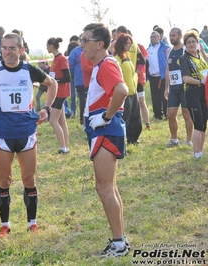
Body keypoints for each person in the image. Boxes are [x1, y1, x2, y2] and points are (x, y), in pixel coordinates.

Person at [0, 32, 57, 238]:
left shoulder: (29, 70)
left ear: (21, 50)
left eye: (12, 48)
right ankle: (5, 225)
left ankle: (32, 223)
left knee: (29, 179)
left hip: (27, 132)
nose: (7, 52)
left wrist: (46, 109)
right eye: (4, 48)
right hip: (2, 134)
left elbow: (52, 84)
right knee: (4, 180)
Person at [81, 23, 129, 258]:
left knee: (104, 187)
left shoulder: (106, 64)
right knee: (108, 187)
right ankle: (120, 241)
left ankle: (119, 244)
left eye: (85, 40)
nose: (81, 45)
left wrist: (105, 117)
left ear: (99, 44)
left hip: (106, 131)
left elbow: (122, 90)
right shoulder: (101, 65)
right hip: (104, 130)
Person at [180, 30, 208, 159]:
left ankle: (200, 151)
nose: (191, 44)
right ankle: (196, 154)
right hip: (192, 93)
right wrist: (201, 81)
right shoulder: (184, 58)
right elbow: (185, 78)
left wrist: (202, 52)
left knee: (203, 124)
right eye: (188, 42)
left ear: (197, 43)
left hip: (204, 93)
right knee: (198, 124)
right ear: (185, 44)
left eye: (193, 42)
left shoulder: (199, 55)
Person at [165, 27, 193, 147]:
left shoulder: (185, 50)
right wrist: (167, 87)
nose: (172, 38)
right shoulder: (169, 51)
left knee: (186, 113)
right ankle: (174, 139)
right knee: (170, 114)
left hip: (185, 87)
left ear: (180, 36)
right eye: (170, 35)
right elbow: (168, 70)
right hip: (174, 88)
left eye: (174, 35)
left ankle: (188, 140)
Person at [114, 33, 142, 145]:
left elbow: (135, 70)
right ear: (122, 44)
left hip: (133, 92)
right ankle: (121, 141)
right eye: (127, 44)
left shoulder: (128, 57)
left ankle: (133, 139)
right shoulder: (117, 59)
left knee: (136, 118)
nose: (130, 46)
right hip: (124, 94)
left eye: (131, 44)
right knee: (125, 118)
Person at [46, 37, 71, 154]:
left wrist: (55, 80)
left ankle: (63, 148)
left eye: (47, 46)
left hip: (60, 93)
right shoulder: (56, 59)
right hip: (57, 92)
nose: (46, 48)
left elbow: (67, 77)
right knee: (62, 121)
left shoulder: (62, 59)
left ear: (51, 46)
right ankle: (66, 146)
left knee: (52, 120)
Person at [146, 31, 170, 120]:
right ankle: (157, 114)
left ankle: (167, 114)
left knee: (164, 95)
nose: (153, 38)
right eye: (151, 37)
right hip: (153, 77)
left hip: (163, 76)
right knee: (155, 96)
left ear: (159, 38)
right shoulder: (148, 50)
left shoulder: (166, 48)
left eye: (155, 36)